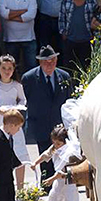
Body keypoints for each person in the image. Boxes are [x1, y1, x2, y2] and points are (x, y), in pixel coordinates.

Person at [21, 45, 72, 187]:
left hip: (59, 125)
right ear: (40, 62)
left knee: (62, 154)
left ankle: (61, 182)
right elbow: (25, 100)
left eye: (52, 61)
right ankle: (46, 184)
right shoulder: (29, 78)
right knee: (45, 155)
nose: (49, 64)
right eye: (46, 61)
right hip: (40, 123)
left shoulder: (64, 77)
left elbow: (69, 101)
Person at [0, 55, 29, 190]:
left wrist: (16, 109)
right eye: (3, 68)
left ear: (13, 69)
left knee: (19, 153)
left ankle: (20, 189)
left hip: (13, 123)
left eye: (9, 68)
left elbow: (23, 101)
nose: (7, 71)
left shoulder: (17, 85)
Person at [32, 125, 80, 201]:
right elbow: (46, 155)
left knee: (70, 194)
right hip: (58, 179)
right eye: (54, 143)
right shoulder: (55, 148)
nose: (56, 145)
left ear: (64, 141)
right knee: (54, 193)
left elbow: (62, 171)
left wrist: (51, 179)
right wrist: (35, 163)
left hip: (68, 177)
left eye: (58, 143)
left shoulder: (69, 151)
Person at [0, 0, 38, 74]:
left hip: (28, 38)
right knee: (10, 67)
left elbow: (30, 16)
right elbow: (4, 14)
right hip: (10, 38)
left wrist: (11, 16)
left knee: (31, 66)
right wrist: (23, 11)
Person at [58, 0, 97, 70]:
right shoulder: (66, 1)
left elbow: (95, 20)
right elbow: (61, 18)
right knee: (69, 66)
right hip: (70, 39)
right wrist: (63, 33)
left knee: (86, 67)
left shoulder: (92, 2)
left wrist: (93, 35)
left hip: (86, 40)